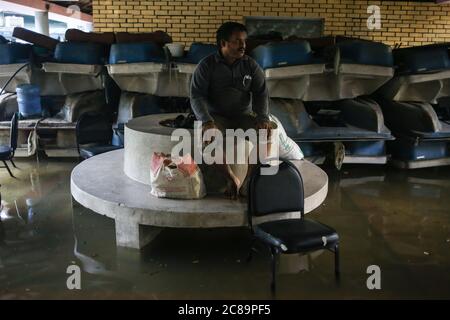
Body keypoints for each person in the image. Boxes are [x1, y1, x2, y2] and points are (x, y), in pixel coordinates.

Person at [190, 22, 275, 199]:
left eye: (244, 41)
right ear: (223, 43)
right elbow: (197, 96)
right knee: (209, 138)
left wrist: (262, 117)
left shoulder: (250, 65)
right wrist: (206, 121)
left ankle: (248, 182)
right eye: (237, 41)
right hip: (216, 117)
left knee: (265, 134)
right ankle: (231, 179)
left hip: (242, 116)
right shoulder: (207, 65)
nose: (243, 45)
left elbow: (261, 93)